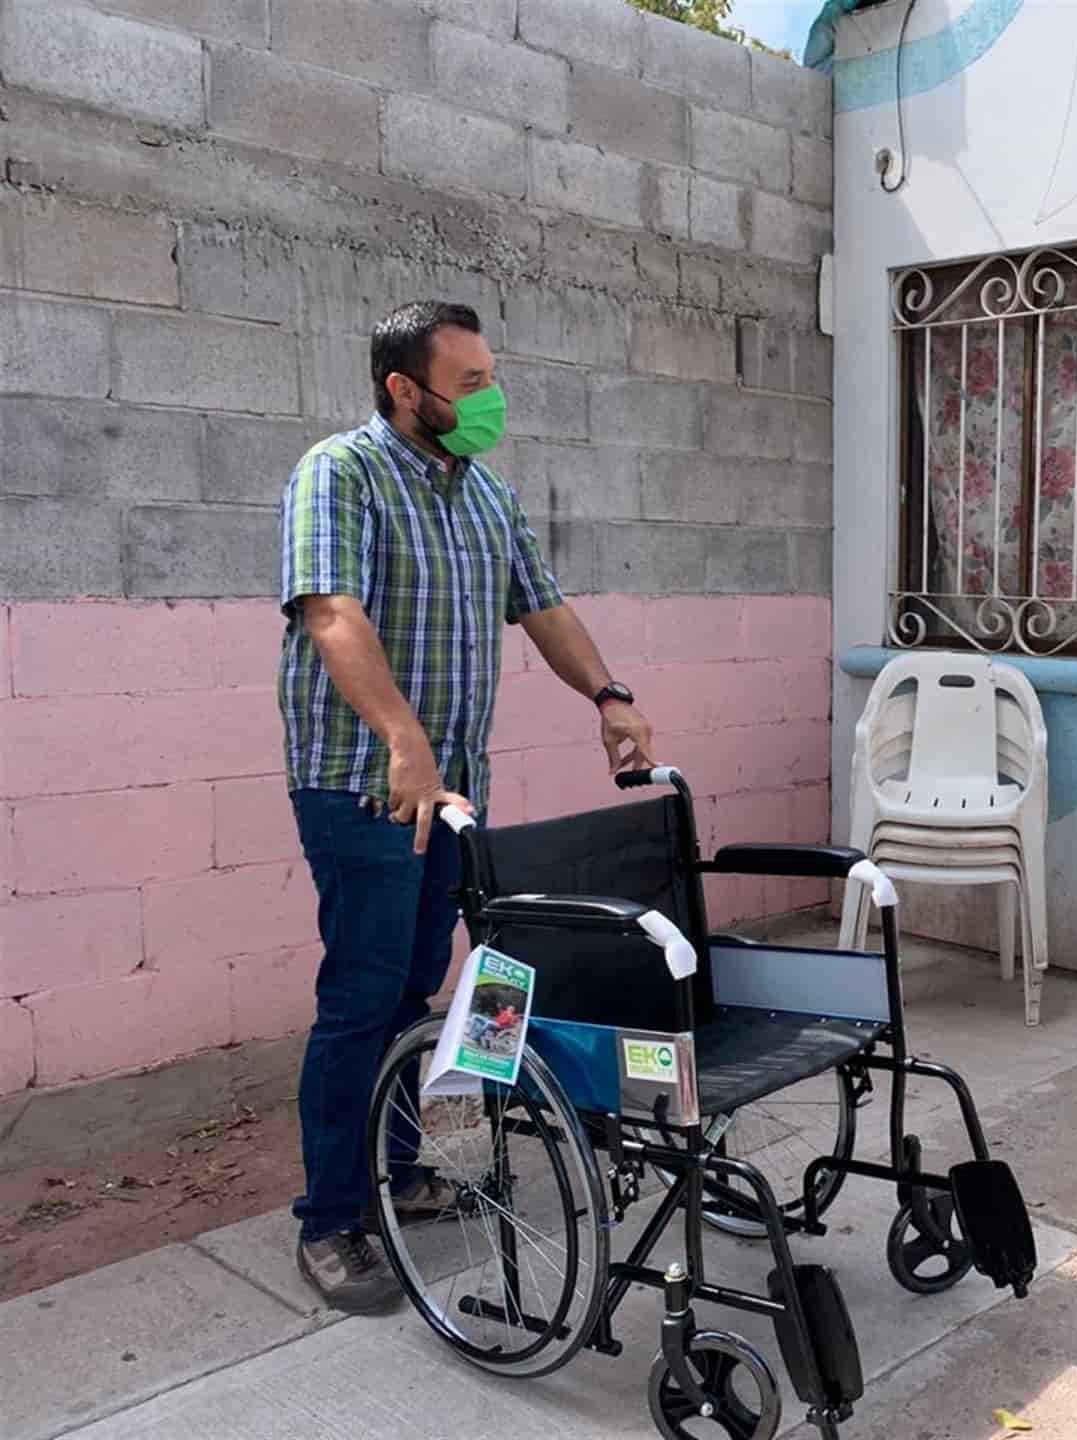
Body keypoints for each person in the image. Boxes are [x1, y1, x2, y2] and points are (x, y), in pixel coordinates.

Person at [280, 301, 655, 1313]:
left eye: (492, 378)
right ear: (406, 390)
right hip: (363, 787)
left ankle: (401, 1173)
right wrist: (404, 742)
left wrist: (609, 695)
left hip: (451, 800)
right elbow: (330, 611)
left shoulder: (484, 493)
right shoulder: (341, 474)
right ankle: (330, 1220)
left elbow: (542, 603)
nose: (490, 401)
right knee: (361, 999)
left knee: (416, 989)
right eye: (471, 384)